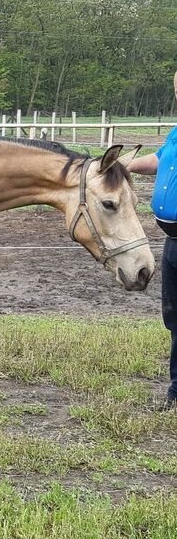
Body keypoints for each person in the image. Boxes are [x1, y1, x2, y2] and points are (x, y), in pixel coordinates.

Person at [128, 71, 177, 409]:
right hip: (173, 243)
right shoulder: (176, 134)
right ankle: (176, 390)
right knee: (175, 320)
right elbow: (158, 161)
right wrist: (121, 165)